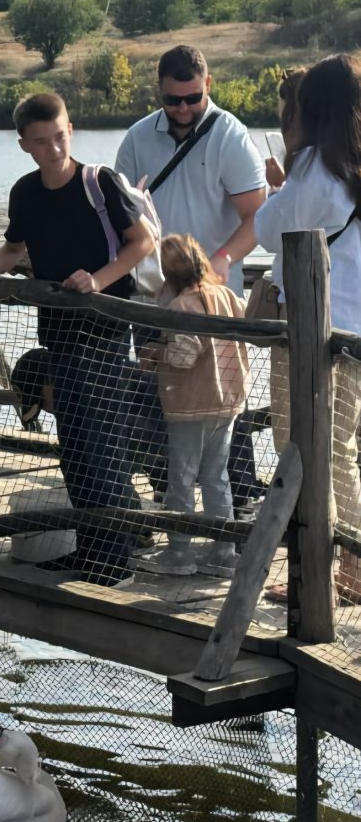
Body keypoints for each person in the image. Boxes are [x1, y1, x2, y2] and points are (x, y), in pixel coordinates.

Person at [0, 92, 155, 587]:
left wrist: (98, 281)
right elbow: (15, 245)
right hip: (59, 334)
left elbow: (143, 241)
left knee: (102, 444)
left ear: (72, 129)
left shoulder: (98, 182)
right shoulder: (25, 192)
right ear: (24, 144)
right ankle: (90, 548)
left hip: (105, 331)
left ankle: (116, 560)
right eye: (41, 141)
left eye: (60, 136)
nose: (54, 148)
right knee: (75, 448)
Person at [116, 44, 268, 513]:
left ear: (208, 86)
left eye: (192, 98)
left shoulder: (230, 136)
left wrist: (221, 260)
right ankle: (167, 493)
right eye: (172, 100)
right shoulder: (139, 137)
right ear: (158, 92)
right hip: (154, 292)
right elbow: (119, 210)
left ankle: (239, 499)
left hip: (213, 296)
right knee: (156, 389)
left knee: (225, 399)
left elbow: (258, 215)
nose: (183, 108)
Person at [250, 54, 361, 603]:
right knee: (341, 449)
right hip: (355, 331)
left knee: (302, 448)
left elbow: (268, 230)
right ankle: (349, 568)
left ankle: (321, 573)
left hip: (312, 330)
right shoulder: (356, 163)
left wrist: (282, 183)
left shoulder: (316, 166)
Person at [138, 234, 248, 579]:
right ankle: (224, 551)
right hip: (227, 399)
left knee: (181, 480)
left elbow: (184, 357)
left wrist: (157, 353)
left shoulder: (181, 307)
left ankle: (179, 552)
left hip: (189, 405)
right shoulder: (227, 296)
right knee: (217, 477)